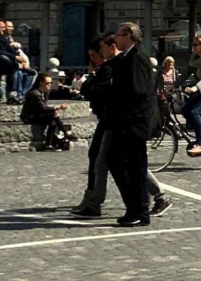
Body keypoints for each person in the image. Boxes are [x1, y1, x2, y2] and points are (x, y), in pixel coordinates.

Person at [72, 34, 171, 220]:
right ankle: (134, 204)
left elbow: (132, 92)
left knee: (123, 162)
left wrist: (98, 84)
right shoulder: (115, 63)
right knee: (117, 161)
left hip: (124, 121)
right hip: (114, 119)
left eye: (98, 52)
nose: (96, 56)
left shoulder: (128, 61)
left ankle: (144, 202)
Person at [106, 22, 161, 226]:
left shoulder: (137, 57)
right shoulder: (127, 57)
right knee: (119, 163)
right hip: (127, 122)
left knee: (134, 167)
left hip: (134, 123)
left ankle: (139, 211)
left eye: (118, 35)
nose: (115, 39)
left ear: (128, 36)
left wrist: (115, 99)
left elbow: (137, 91)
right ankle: (134, 209)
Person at [20, 72, 72, 151]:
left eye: (51, 83)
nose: (50, 85)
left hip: (38, 114)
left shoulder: (45, 92)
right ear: (41, 83)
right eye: (47, 83)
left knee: (53, 118)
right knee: (53, 115)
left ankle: (50, 144)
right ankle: (65, 133)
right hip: (29, 117)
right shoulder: (34, 93)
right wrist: (58, 107)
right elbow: (43, 107)